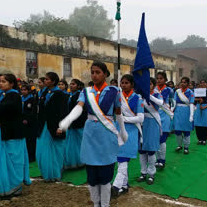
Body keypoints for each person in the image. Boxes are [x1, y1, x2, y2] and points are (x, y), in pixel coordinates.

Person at [59, 61, 128, 207]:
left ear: (105, 74)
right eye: (92, 72)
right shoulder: (86, 92)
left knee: (105, 174)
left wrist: (122, 130)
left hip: (106, 134)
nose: (94, 75)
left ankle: (105, 204)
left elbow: (118, 112)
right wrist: (68, 120)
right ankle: (96, 204)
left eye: (98, 72)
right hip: (90, 134)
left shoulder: (114, 91)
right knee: (92, 176)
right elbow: (79, 107)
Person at [112, 74, 144, 197]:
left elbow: (140, 118)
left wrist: (124, 119)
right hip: (118, 130)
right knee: (120, 159)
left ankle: (116, 185)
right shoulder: (117, 97)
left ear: (132, 84)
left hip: (131, 132)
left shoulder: (137, 98)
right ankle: (124, 186)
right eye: (122, 83)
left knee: (123, 158)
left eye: (126, 83)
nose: (123, 85)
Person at [35, 72, 69, 182]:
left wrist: (61, 127)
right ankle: (46, 173)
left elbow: (63, 112)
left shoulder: (60, 94)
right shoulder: (44, 92)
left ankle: (55, 173)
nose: (45, 81)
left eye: (47, 79)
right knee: (42, 150)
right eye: (44, 79)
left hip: (54, 126)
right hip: (43, 125)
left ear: (53, 81)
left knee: (56, 150)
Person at [137, 77, 163, 185]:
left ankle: (151, 173)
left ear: (153, 85)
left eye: (150, 84)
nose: (148, 86)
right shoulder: (139, 96)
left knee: (151, 149)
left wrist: (148, 95)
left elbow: (160, 103)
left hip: (152, 122)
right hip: (141, 122)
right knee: (142, 150)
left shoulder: (157, 94)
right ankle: (143, 172)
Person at [64, 79, 87, 169]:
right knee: (70, 145)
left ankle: (82, 161)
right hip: (70, 124)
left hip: (78, 123)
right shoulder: (69, 95)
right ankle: (72, 162)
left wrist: (74, 121)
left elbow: (81, 111)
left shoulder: (79, 95)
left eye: (73, 84)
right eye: (70, 84)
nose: (71, 86)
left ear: (78, 86)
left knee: (80, 143)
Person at [155, 72, 174, 168]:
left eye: (161, 78)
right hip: (154, 115)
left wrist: (171, 113)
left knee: (162, 139)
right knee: (156, 139)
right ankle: (157, 159)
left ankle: (162, 159)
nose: (159, 80)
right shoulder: (153, 89)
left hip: (165, 116)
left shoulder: (169, 90)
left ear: (165, 79)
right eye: (157, 78)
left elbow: (172, 102)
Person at [174, 77, 195, 154]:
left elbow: (191, 104)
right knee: (177, 130)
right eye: (182, 82)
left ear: (188, 84)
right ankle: (179, 145)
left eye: (185, 82)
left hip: (187, 111)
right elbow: (174, 102)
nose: (183, 83)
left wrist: (191, 115)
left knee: (186, 131)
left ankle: (186, 147)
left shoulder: (190, 92)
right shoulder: (177, 92)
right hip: (178, 112)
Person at [21, 84, 38, 162]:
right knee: (24, 139)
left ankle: (32, 156)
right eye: (22, 90)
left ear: (29, 91)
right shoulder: (21, 99)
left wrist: (27, 119)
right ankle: (25, 154)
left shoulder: (32, 99)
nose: (23, 91)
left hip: (31, 123)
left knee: (31, 140)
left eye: (25, 90)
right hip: (22, 122)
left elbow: (33, 112)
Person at [194, 80, 207, 145]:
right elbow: (192, 98)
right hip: (198, 107)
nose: (202, 84)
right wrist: (198, 100)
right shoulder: (196, 91)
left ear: (206, 84)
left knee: (205, 123)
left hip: (206, 107)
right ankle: (199, 139)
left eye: (204, 83)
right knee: (198, 123)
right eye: (201, 83)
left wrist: (204, 107)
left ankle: (204, 139)